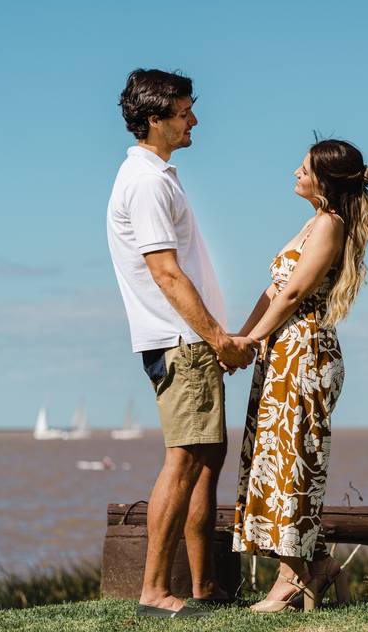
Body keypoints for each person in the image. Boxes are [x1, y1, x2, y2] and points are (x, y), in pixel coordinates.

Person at [107, 68, 257, 618]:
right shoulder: (146, 182)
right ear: (155, 118)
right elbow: (166, 273)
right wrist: (217, 337)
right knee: (185, 458)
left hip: (189, 340)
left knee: (205, 459)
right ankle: (153, 592)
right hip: (181, 341)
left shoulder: (159, 176)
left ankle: (203, 586)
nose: (194, 118)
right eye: (185, 110)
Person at [232, 139, 368, 612]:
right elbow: (273, 291)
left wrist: (250, 342)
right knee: (277, 459)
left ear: (324, 180)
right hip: (283, 350)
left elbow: (293, 295)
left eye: (305, 167)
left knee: (294, 462)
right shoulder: (312, 222)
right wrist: (241, 339)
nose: (296, 171)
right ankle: (319, 565)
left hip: (306, 351)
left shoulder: (330, 226)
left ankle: (291, 579)